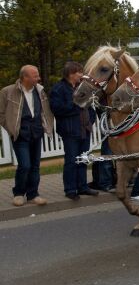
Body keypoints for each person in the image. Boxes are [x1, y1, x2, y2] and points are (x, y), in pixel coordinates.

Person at [0, 65, 54, 206]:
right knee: (25, 165)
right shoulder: (8, 91)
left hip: (36, 133)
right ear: (25, 77)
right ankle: (18, 193)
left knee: (35, 166)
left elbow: (45, 110)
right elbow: (1, 113)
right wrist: (11, 128)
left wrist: (45, 126)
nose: (39, 78)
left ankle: (33, 194)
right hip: (20, 134)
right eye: (35, 76)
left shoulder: (40, 91)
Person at [50, 61, 98, 200]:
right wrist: (76, 104)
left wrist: (91, 120)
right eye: (79, 72)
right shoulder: (58, 89)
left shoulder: (82, 87)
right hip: (70, 131)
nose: (82, 75)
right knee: (71, 161)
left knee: (83, 160)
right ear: (71, 74)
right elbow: (57, 109)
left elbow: (90, 106)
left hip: (85, 129)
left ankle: (82, 187)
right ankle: (70, 189)